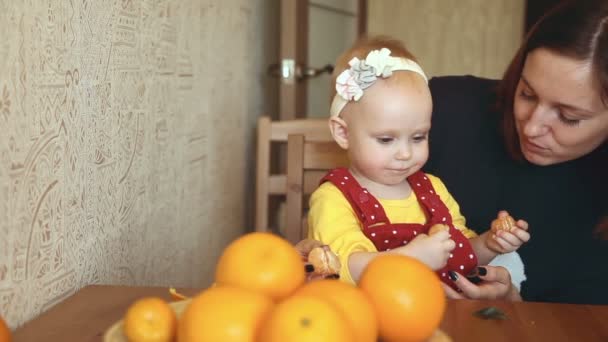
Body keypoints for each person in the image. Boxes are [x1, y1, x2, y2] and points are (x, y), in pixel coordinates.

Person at [306, 37, 530, 290]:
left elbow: (461, 257)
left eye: (418, 137)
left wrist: (489, 244)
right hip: (367, 319)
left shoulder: (433, 189)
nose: (405, 153)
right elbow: (341, 268)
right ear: (343, 133)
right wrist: (411, 258)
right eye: (386, 139)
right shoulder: (334, 198)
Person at [425, 0, 608, 304]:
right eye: (527, 94)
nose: (533, 127)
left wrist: (514, 304)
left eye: (569, 117)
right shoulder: (445, 108)